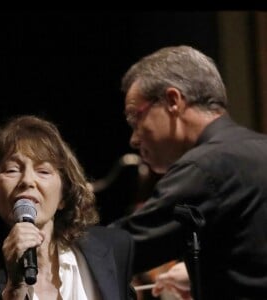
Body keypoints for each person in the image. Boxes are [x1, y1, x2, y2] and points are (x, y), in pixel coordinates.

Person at [110, 45, 267, 299]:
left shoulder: (206, 166)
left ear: (173, 101)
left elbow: (124, 247)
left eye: (135, 119)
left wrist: (57, 248)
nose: (134, 139)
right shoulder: (259, 148)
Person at [0, 115, 136, 300]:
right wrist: (15, 288)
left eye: (43, 171)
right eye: (12, 170)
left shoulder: (114, 249)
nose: (27, 181)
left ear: (64, 194)